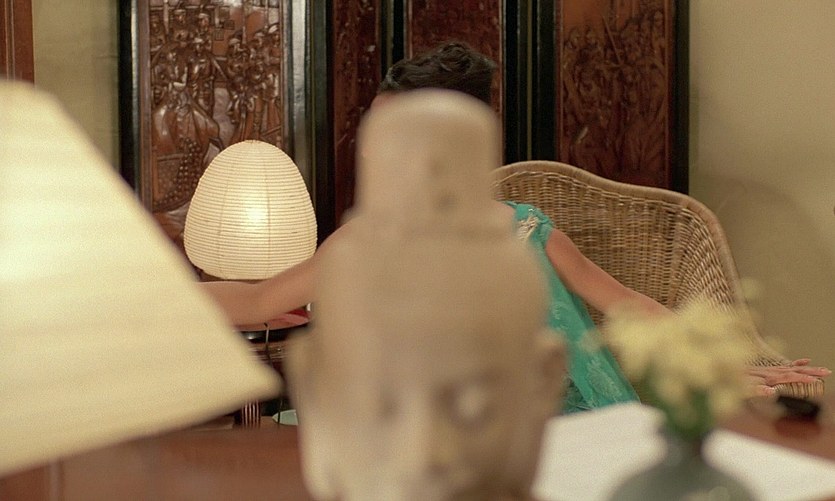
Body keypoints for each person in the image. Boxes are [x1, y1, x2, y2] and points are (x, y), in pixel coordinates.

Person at [200, 41, 829, 410]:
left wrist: (726, 361)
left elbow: (626, 302)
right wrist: (156, 298)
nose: (372, 147)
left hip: (553, 426)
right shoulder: (367, 241)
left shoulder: (525, 231)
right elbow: (258, 301)